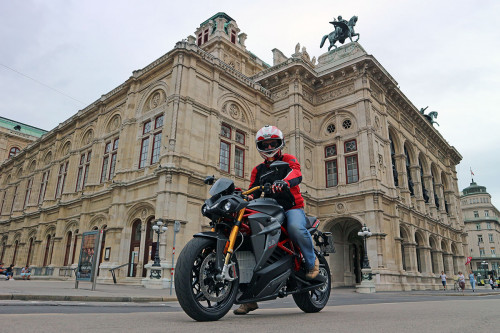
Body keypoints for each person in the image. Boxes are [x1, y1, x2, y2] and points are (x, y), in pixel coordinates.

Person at [233, 125, 319, 315]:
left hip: (291, 207)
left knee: (296, 228)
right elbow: (252, 190)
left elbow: (296, 173)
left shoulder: (288, 160)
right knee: (248, 240)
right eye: (265, 144)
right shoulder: (258, 170)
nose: (269, 146)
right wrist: (244, 197)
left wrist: (285, 182)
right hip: (268, 208)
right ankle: (249, 298)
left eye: (273, 143)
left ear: (280, 144)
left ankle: (312, 262)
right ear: (260, 146)